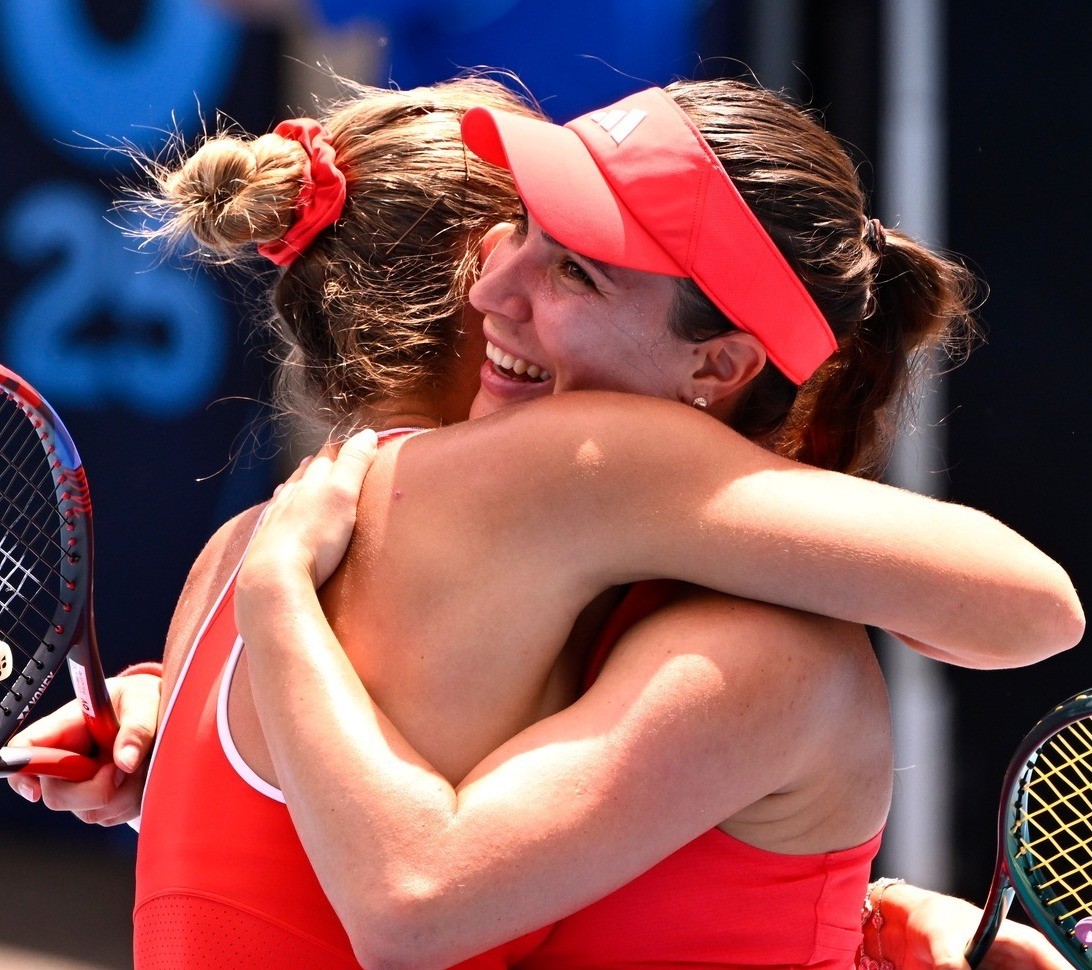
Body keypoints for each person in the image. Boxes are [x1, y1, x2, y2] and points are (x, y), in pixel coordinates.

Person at [9, 76, 1082, 970]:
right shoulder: (590, 495)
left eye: (575, 265)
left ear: (722, 363)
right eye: (519, 225)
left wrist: (840, 909)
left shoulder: (241, 551)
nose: (496, 285)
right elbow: (416, 897)